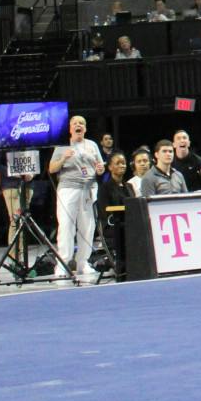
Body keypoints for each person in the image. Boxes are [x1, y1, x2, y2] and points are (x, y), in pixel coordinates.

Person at [48, 114, 104, 285]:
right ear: (70, 128)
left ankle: (83, 262)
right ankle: (63, 263)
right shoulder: (62, 146)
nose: (78, 125)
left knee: (87, 227)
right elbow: (51, 169)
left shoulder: (92, 145)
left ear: (85, 129)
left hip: (88, 190)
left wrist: (100, 169)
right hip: (68, 189)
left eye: (81, 123)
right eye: (75, 123)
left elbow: (100, 167)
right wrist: (64, 157)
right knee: (66, 226)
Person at [96, 153, 134, 277]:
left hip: (129, 223)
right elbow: (105, 211)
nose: (122, 165)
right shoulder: (104, 188)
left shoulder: (129, 186)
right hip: (112, 226)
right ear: (110, 167)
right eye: (118, 163)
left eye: (123, 163)